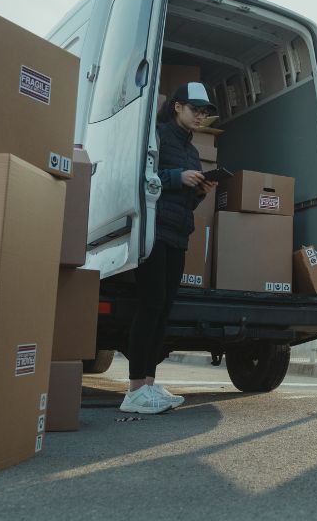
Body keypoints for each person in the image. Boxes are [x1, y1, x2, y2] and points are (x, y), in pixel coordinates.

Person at [120, 82, 219, 414]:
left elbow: (186, 202)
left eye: (204, 113)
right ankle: (134, 390)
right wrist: (179, 177)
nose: (200, 117)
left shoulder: (192, 151)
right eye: (195, 110)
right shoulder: (157, 136)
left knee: (163, 309)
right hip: (153, 231)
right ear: (177, 107)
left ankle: (148, 385)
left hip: (178, 234)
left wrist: (201, 188)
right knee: (149, 306)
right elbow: (140, 176)